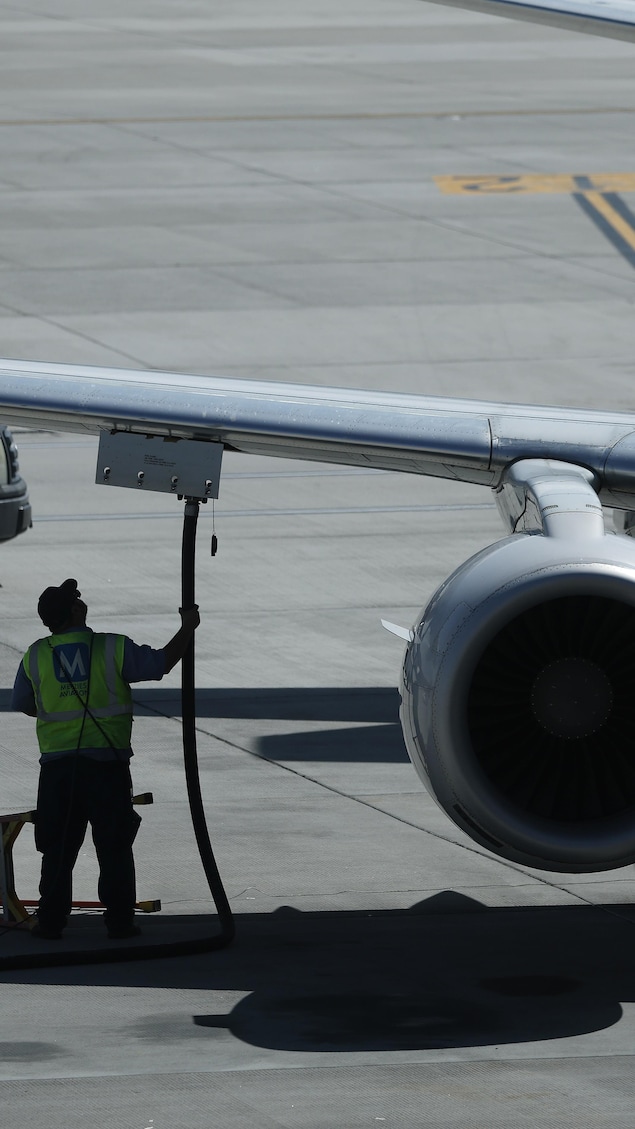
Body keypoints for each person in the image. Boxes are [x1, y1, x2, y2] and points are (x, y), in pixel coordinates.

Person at [11, 578, 200, 941]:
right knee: (113, 846)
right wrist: (187, 627)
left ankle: (50, 923)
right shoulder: (112, 647)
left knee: (57, 848)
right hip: (106, 766)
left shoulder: (35, 654)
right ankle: (119, 922)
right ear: (76, 610)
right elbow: (162, 662)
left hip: (57, 769)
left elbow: (22, 703)